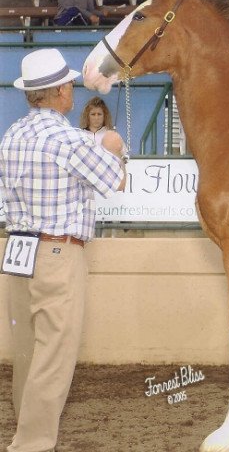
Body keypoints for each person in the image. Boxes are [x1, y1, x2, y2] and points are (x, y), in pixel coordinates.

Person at [0, 48, 126, 452]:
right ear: (57, 92)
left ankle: (28, 431)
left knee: (27, 351)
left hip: (17, 250)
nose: (72, 88)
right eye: (68, 83)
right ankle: (31, 445)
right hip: (57, 253)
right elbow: (115, 180)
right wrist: (112, 147)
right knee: (53, 356)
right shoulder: (69, 139)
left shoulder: (11, 135)